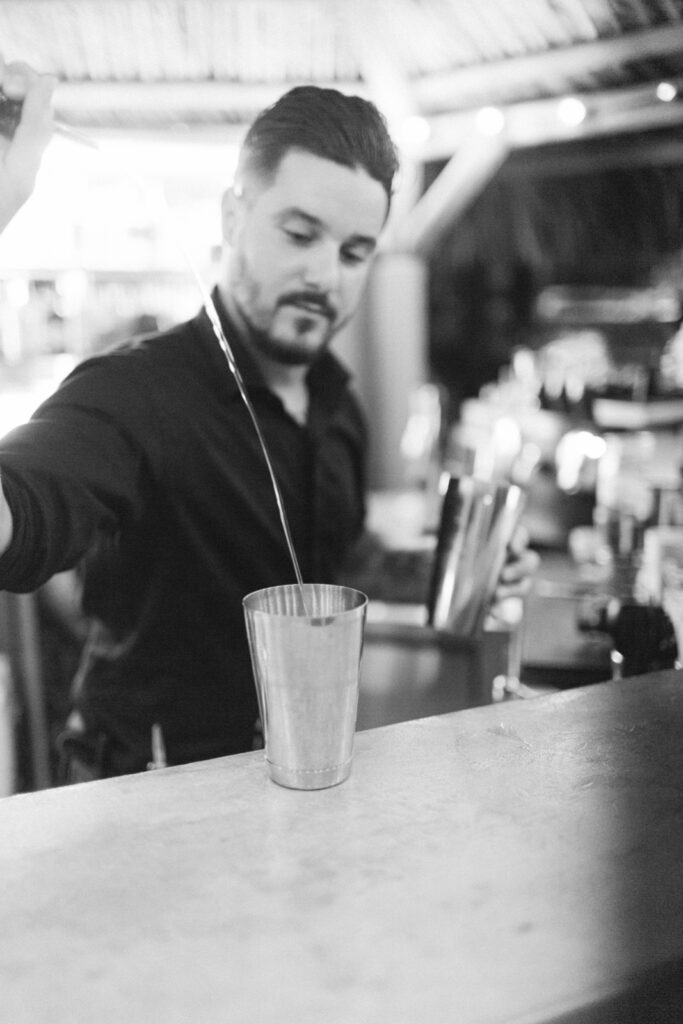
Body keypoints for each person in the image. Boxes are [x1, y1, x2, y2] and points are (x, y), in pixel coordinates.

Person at [0, 57, 539, 781]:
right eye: (299, 233)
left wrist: (450, 568)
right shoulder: (133, 391)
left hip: (298, 786)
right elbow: (16, 513)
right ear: (232, 216)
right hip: (140, 803)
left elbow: (334, 561)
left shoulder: (337, 407)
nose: (326, 275)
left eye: (354, 252)